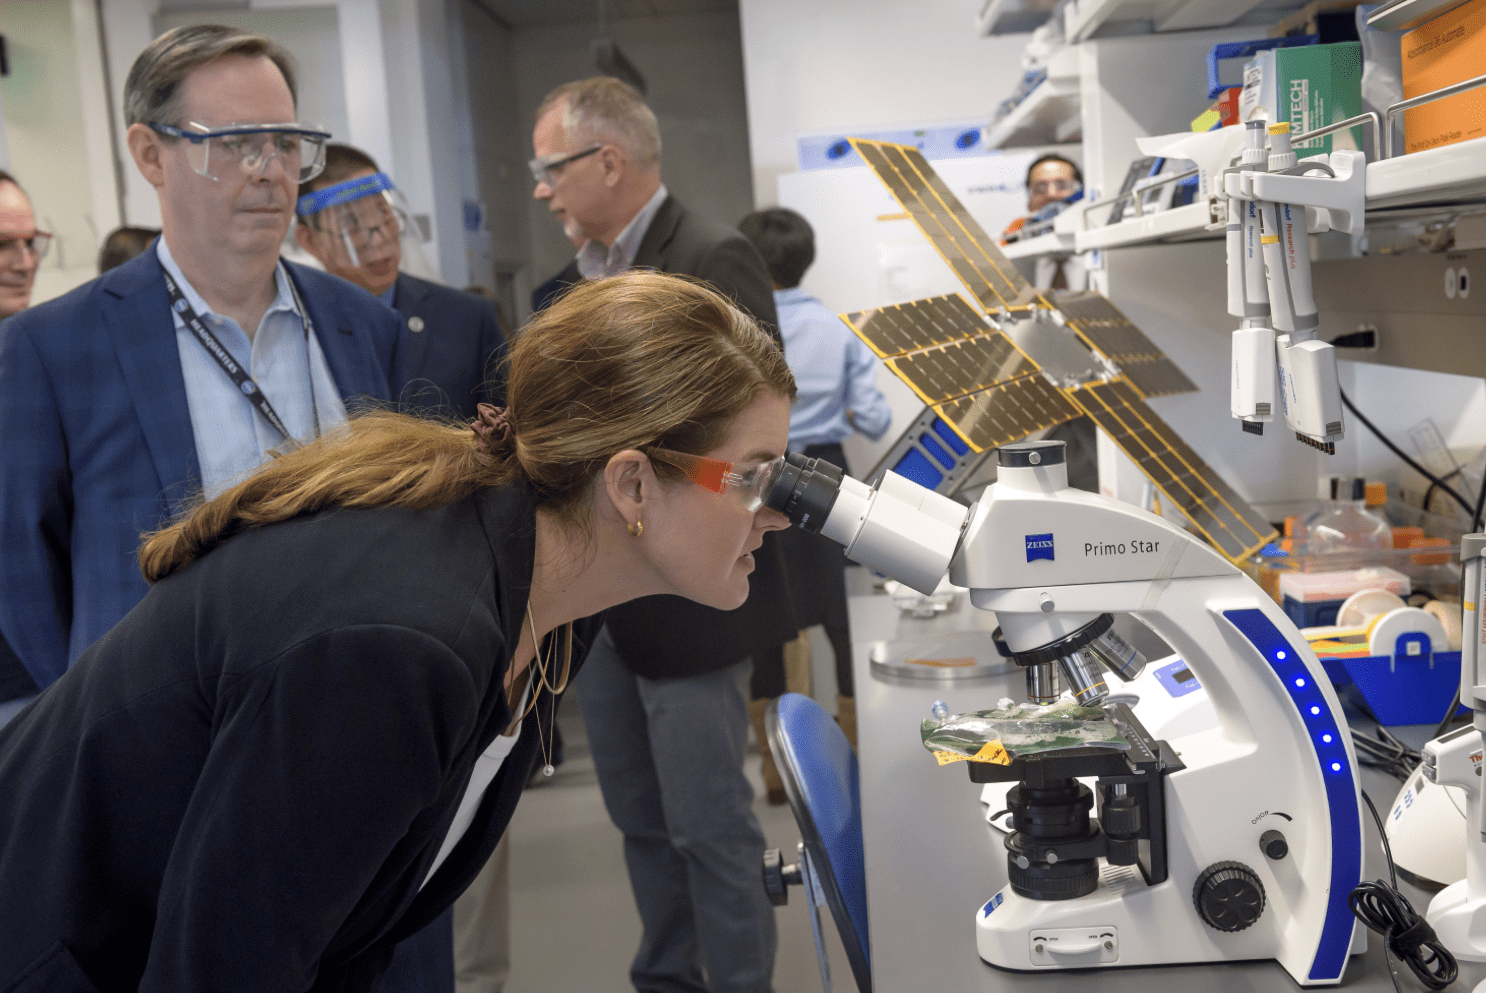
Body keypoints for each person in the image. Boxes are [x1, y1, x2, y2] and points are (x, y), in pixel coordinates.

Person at [0, 270, 797, 993]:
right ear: (630, 484)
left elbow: (346, 926)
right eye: (755, 476)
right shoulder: (398, 644)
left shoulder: (549, 611)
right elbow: (222, 970)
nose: (782, 514)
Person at [0, 25, 401, 697]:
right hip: (164, 739)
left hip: (353, 698)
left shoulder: (362, 324)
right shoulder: (53, 349)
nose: (269, 169)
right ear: (150, 154)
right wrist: (100, 714)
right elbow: (20, 575)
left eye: (284, 143)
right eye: (236, 143)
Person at [531, 76, 794, 993]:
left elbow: (748, 433)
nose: (539, 188)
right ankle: (669, 979)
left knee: (709, 823)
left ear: (608, 160)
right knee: (638, 816)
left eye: (549, 165)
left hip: (689, 605)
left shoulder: (713, 259)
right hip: (597, 604)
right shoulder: (561, 289)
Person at [737, 207, 890, 796]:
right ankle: (852, 758)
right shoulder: (837, 325)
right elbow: (874, 419)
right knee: (840, 618)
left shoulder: (739, 327)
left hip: (760, 474)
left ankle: (777, 772)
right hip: (828, 473)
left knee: (762, 617)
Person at [295, 143, 508, 418]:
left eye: (384, 213)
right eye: (350, 223)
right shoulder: (297, 330)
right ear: (310, 241)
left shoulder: (469, 319)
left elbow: (505, 436)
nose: (380, 238)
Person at [0, 170, 48, 728]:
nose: (25, 262)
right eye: (3, 245)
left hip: (42, 672)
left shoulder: (44, 354)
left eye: (31, 242)